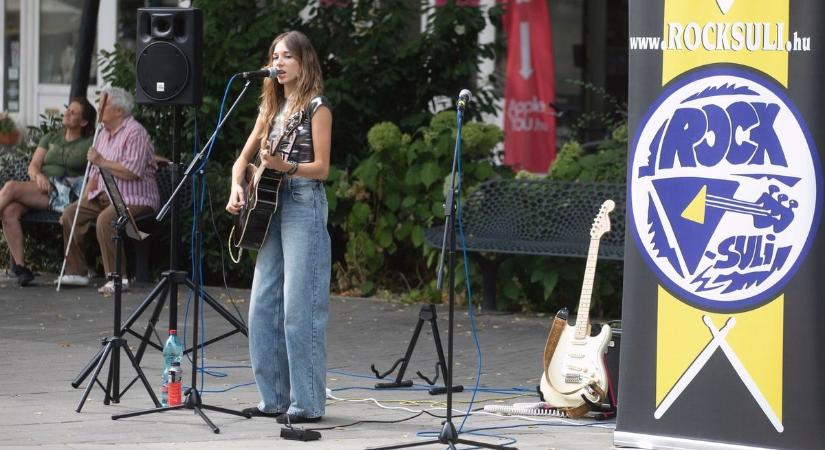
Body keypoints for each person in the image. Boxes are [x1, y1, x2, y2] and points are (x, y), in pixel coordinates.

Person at [226, 30, 332, 424]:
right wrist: (238, 186)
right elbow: (242, 161)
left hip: (303, 202)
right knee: (263, 306)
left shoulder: (317, 107)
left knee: (299, 308)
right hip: (267, 206)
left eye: (287, 56)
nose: (279, 62)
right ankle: (274, 398)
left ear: (304, 61)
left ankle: (306, 404)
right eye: (275, 55)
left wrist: (283, 166)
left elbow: (322, 168)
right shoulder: (270, 109)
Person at [55, 86, 159, 296]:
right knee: (70, 213)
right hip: (104, 195)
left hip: (135, 198)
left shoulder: (134, 132)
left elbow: (133, 171)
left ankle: (117, 278)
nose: (99, 108)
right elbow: (94, 174)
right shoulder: (102, 133)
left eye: (104, 104)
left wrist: (102, 161)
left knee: (106, 220)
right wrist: (81, 202)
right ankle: (77, 272)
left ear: (118, 111)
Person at [0, 98, 96, 286]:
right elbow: (33, 166)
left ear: (83, 122)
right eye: (68, 109)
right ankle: (20, 268)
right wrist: (38, 176)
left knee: (11, 187)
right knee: (9, 211)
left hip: (68, 192)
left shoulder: (90, 142)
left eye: (73, 112)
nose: (67, 113)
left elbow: (100, 167)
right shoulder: (51, 137)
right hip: (44, 188)